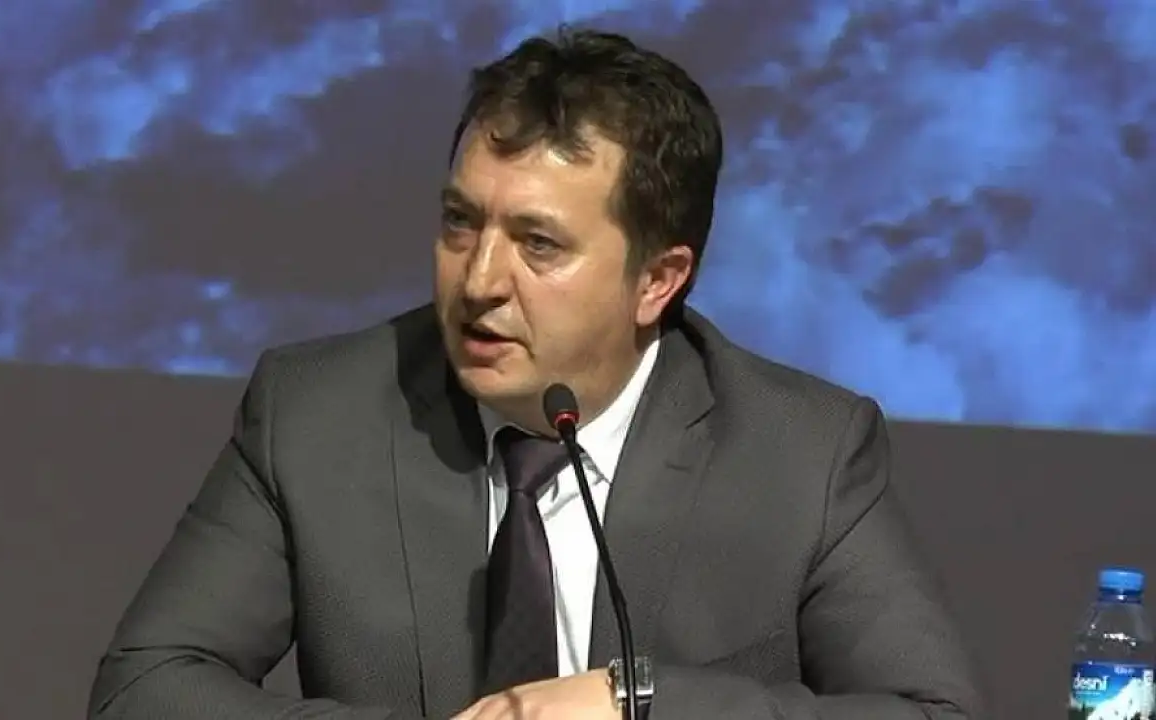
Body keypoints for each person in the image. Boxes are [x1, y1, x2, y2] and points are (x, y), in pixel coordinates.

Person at [89, 27, 983, 720]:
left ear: (658, 280)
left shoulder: (804, 453)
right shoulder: (317, 412)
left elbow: (934, 713)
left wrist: (640, 702)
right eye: (460, 222)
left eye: (539, 244)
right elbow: (145, 688)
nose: (480, 280)